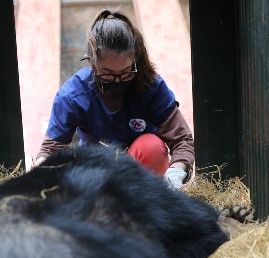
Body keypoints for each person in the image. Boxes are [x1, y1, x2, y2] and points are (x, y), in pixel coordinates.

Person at [35, 9, 195, 190]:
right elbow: (50, 150)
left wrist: (177, 171)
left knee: (152, 147)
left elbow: (182, 139)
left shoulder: (150, 86)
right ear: (92, 62)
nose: (117, 80)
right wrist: (37, 175)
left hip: (142, 171)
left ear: (135, 60)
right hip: (97, 170)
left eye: (125, 72)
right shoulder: (72, 95)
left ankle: (146, 203)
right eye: (108, 74)